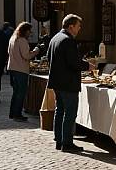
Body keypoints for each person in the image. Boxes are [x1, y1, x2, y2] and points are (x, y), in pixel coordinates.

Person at [47, 14, 93, 153]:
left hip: (57, 81)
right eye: (78, 26)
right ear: (71, 26)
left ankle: (59, 140)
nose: (79, 29)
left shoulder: (55, 38)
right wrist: (88, 66)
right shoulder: (68, 40)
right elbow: (73, 62)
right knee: (70, 113)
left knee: (60, 110)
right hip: (68, 83)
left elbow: (49, 58)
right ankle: (67, 143)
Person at [7, 22, 40, 120]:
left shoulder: (13, 39)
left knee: (16, 92)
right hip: (20, 69)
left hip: (12, 68)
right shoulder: (22, 40)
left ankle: (12, 113)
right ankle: (17, 114)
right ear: (25, 30)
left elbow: (9, 52)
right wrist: (36, 50)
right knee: (21, 93)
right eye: (29, 31)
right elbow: (26, 56)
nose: (30, 33)